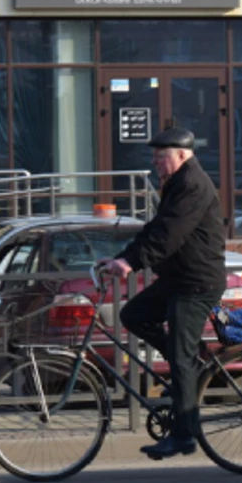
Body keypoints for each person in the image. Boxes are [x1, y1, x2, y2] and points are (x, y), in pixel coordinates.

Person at [98, 127, 226, 460]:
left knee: (181, 359)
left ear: (182, 155)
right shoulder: (177, 184)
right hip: (178, 279)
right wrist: (122, 257)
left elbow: (169, 236)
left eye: (161, 155)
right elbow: (154, 229)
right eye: (153, 156)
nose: (155, 161)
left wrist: (132, 263)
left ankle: (183, 435)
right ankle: (188, 363)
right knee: (133, 315)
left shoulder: (192, 185)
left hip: (196, 283)